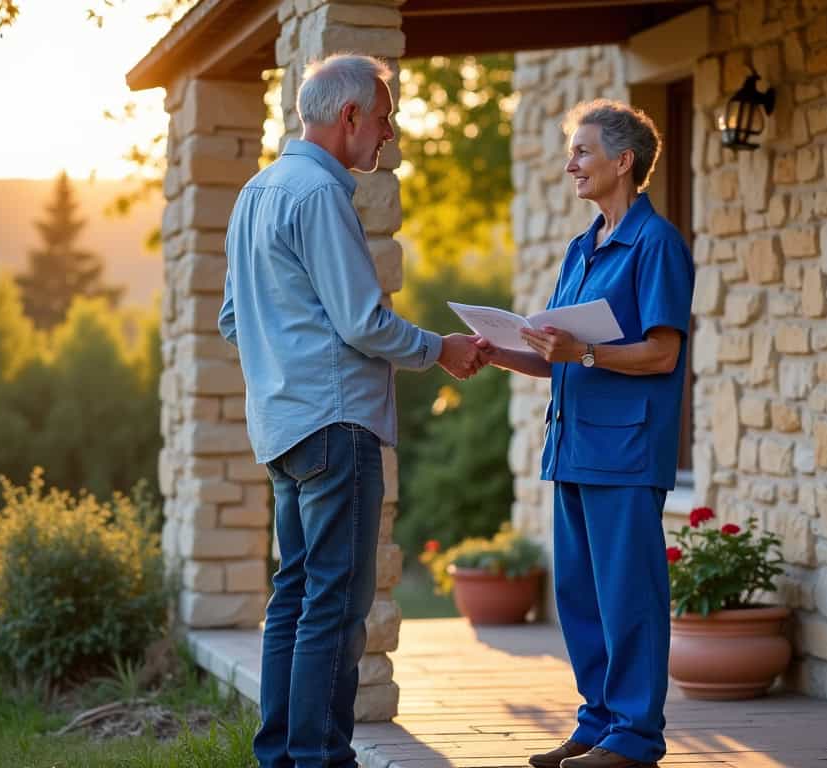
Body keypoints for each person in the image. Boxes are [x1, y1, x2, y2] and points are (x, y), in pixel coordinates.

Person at [217, 54, 486, 768]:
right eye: (385, 118)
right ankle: (317, 759)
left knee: (296, 596)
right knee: (335, 604)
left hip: (281, 428)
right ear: (350, 117)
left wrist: (283, 363)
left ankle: (283, 755)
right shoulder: (319, 194)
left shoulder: (256, 192)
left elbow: (232, 318)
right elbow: (365, 321)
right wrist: (442, 349)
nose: (388, 136)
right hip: (336, 426)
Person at [478, 100, 694, 768]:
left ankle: (634, 737)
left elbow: (661, 353)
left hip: (627, 451)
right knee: (580, 597)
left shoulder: (657, 245)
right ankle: (598, 722)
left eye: (582, 152)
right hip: (572, 445)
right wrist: (497, 349)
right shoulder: (582, 247)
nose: (570, 163)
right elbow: (556, 355)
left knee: (629, 597)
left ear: (622, 161)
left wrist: (587, 355)